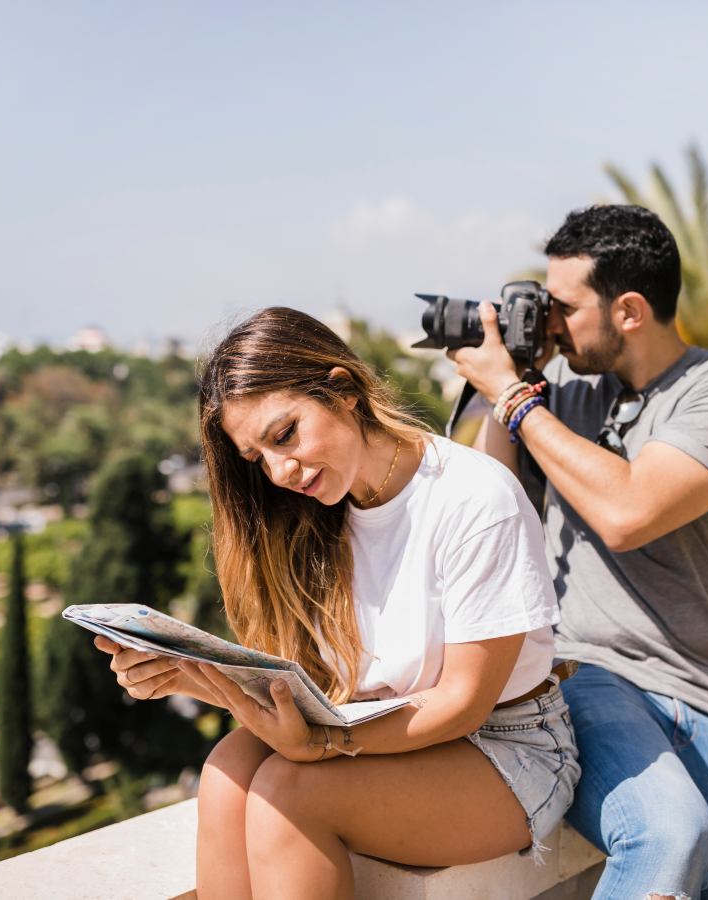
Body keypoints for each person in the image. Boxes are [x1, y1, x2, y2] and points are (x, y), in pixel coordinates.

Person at [93, 307, 580, 900]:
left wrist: (325, 745)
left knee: (287, 796)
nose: (278, 471)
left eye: (284, 435)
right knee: (226, 774)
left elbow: (462, 704)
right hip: (377, 721)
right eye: (256, 458)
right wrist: (186, 675)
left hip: (507, 746)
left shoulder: (472, 500)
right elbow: (315, 688)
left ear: (343, 390)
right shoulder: (312, 520)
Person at [450, 204, 708, 900]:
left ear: (629, 310)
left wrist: (514, 396)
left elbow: (629, 513)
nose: (553, 321)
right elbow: (496, 496)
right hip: (587, 670)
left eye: (565, 307)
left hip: (705, 689)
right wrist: (511, 376)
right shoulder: (558, 397)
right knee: (670, 834)